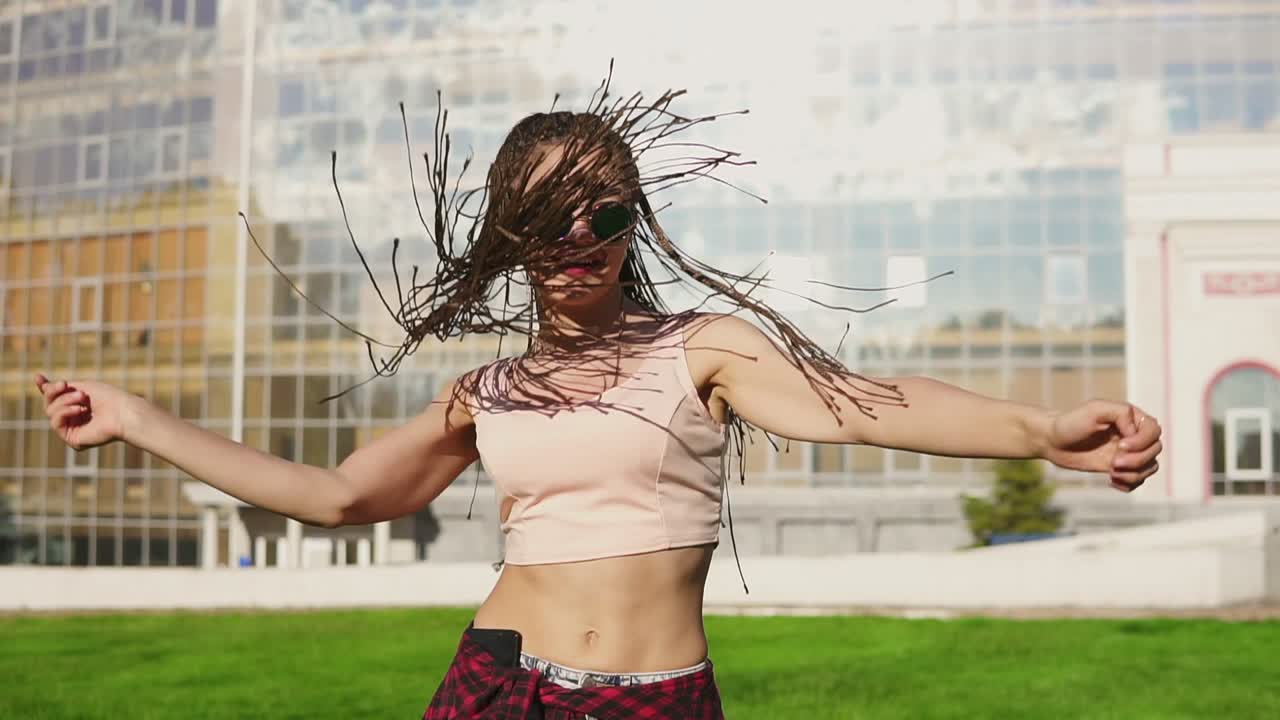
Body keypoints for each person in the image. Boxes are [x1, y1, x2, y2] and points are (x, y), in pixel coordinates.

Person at [35, 94, 1163, 720]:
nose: (576, 236)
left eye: (602, 212)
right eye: (545, 216)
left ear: (635, 223)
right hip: (493, 681)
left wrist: (1037, 431)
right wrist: (135, 418)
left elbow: (856, 403)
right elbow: (333, 496)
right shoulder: (485, 391)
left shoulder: (702, 350)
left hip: (649, 697)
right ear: (508, 237)